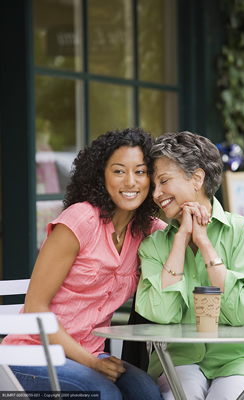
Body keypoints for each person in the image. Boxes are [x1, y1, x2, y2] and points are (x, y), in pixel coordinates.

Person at [2, 127, 166, 399]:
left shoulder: (147, 229)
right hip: (31, 352)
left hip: (92, 352)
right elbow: (35, 309)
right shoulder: (80, 220)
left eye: (140, 171)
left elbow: (189, 235)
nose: (130, 182)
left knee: (146, 391)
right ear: (101, 176)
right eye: (118, 171)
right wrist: (92, 363)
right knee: (104, 393)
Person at [135, 131, 244, 400]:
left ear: (197, 178)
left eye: (164, 181)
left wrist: (204, 243)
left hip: (239, 359)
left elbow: (242, 312)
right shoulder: (154, 246)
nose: (156, 194)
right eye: (154, 185)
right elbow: (162, 313)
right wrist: (181, 239)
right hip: (179, 361)